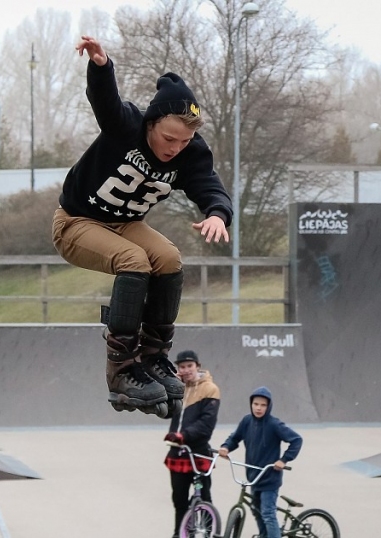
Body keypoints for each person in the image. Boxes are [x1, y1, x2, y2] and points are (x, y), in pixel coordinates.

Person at [53, 36, 232, 418]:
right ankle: (121, 368)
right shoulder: (127, 127)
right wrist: (101, 66)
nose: (175, 149)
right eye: (169, 138)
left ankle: (153, 358)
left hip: (125, 224)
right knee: (134, 260)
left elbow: (208, 185)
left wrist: (218, 212)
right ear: (152, 124)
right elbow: (106, 103)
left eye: (184, 141)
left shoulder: (190, 153)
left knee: (168, 258)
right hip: (76, 223)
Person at [218, 387, 303, 538]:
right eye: (256, 404)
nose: (258, 408)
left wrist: (284, 459)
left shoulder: (274, 424)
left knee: (268, 514)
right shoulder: (246, 421)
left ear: (268, 406)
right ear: (251, 404)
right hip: (254, 477)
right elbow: (235, 437)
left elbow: (296, 440)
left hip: (270, 478)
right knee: (256, 511)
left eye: (263, 405)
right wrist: (226, 447)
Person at [162, 350, 221, 538]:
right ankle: (179, 534)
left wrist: (183, 435)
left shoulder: (210, 389)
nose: (186, 370)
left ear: (198, 366)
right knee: (179, 501)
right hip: (177, 454)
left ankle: (208, 533)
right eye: (182, 367)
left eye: (189, 366)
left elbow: (206, 424)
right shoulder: (178, 387)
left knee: (204, 499)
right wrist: (171, 385)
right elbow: (164, 410)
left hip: (198, 453)